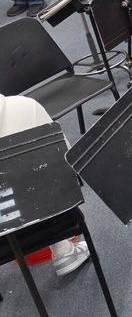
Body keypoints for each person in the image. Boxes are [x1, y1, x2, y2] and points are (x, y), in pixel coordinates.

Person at [0, 94, 91, 276]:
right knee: (44, 174)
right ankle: (63, 250)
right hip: (51, 221)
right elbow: (68, 164)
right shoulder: (25, 106)